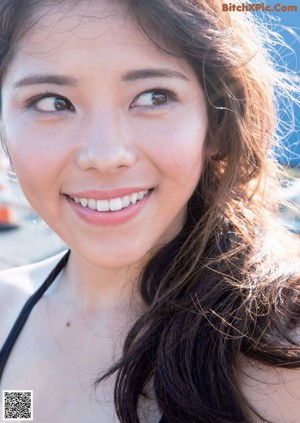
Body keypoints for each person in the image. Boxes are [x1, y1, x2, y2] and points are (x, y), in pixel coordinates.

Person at [0, 0, 299, 422]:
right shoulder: (6, 310)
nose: (104, 155)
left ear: (216, 123)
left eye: (154, 96)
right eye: (52, 102)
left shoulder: (281, 352)